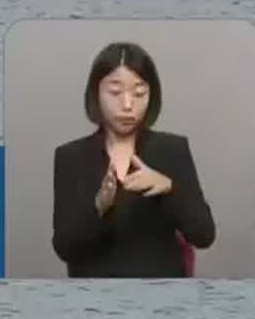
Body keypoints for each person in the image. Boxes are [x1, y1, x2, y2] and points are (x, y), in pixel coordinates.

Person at [51, 41, 216, 277]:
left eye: (139, 93)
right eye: (115, 93)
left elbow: (204, 235)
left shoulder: (172, 149)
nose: (128, 105)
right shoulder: (70, 156)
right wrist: (99, 207)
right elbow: (64, 248)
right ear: (95, 92)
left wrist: (170, 189)